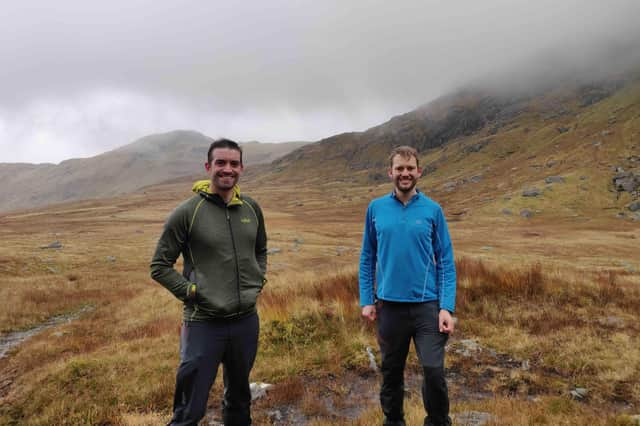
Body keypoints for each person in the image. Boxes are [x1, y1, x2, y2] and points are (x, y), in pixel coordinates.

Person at [150, 138, 267, 426]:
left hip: (245, 322)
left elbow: (260, 250)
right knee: (190, 409)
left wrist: (257, 280)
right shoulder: (187, 213)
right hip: (203, 323)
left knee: (239, 401)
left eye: (234, 163)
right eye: (221, 163)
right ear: (208, 167)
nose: (228, 169)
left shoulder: (251, 209)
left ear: (242, 168)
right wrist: (191, 291)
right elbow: (159, 266)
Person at [359, 146, 456, 426]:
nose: (405, 173)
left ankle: (438, 421)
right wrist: (367, 299)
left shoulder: (432, 210)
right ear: (391, 173)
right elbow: (367, 257)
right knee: (391, 373)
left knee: (434, 371)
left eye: (410, 168)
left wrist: (446, 307)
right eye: (399, 169)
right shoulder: (376, 208)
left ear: (419, 172)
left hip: (428, 306)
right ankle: (394, 421)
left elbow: (446, 261)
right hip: (389, 307)